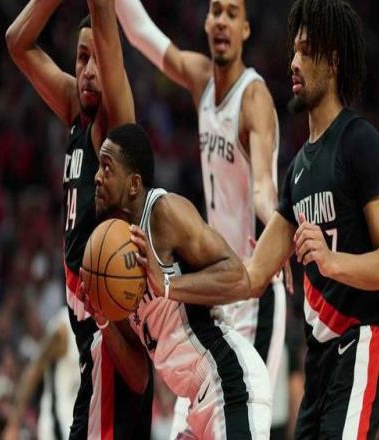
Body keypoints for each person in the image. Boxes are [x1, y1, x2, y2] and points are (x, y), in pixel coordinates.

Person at [113, 0, 292, 433]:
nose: (222, 21)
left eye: (232, 13)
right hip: (214, 283)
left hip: (253, 286)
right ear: (206, 22)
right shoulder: (200, 79)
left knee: (246, 422)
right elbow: (139, 32)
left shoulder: (254, 97)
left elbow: (264, 187)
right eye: (216, 11)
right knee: (193, 424)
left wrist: (280, 227)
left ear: (246, 29)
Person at [246, 0, 379, 437]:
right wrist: (173, 277)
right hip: (317, 363)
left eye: (306, 51)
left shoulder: (359, 141)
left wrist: (332, 262)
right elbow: (252, 275)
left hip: (359, 344)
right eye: (293, 51)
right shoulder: (297, 168)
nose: (293, 63)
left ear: (332, 61)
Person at [5, 0, 152, 438]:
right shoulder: (75, 110)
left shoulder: (113, 123)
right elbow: (17, 42)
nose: (88, 70)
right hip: (90, 342)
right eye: (80, 57)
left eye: (97, 59)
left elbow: (103, 12)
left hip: (111, 333)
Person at [82, 122, 272, 439]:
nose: (97, 177)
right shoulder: (113, 256)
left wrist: (168, 285)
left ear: (133, 184)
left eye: (107, 167)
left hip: (226, 380)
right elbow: (140, 376)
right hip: (191, 401)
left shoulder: (164, 213)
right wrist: (103, 320)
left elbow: (238, 278)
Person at [3, 308, 79, 439]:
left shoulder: (101, 323)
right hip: (59, 424)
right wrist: (13, 423)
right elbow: (34, 369)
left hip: (83, 419)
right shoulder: (64, 327)